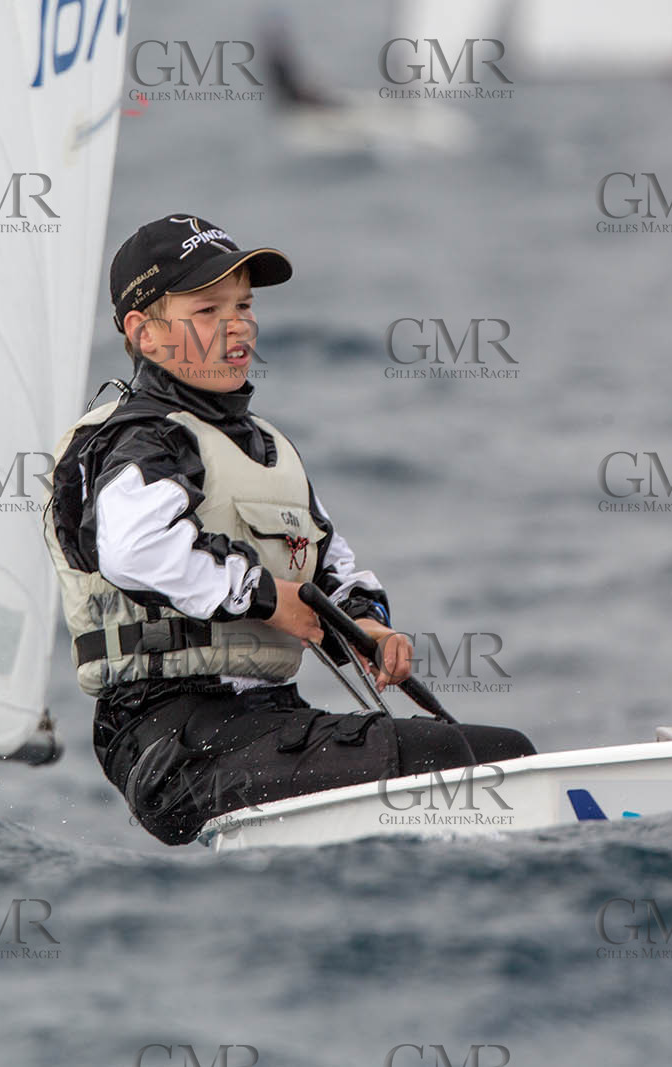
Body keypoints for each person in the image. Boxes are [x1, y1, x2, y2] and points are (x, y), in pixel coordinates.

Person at [43, 215, 536, 845]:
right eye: (207, 310)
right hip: (170, 740)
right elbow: (135, 550)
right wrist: (270, 597)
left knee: (488, 755)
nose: (237, 324)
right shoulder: (138, 442)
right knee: (488, 760)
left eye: (244, 305)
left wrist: (365, 624)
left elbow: (330, 562)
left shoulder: (268, 450)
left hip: (263, 722)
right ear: (144, 332)